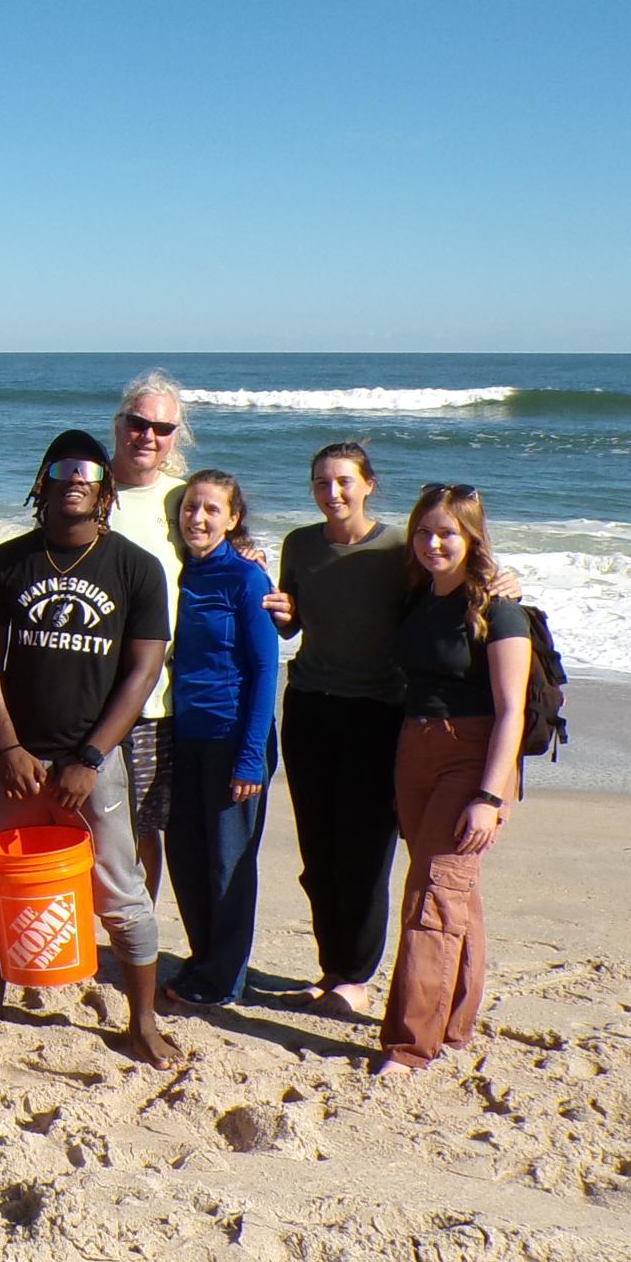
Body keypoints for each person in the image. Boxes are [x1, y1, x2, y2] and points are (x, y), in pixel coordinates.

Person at [0, 428, 179, 1066]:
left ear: (106, 487)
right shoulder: (7, 560)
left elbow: (144, 671)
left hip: (95, 764)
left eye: (89, 468)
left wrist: (89, 759)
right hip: (14, 760)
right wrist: (6, 746)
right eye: (63, 467)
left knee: (121, 893)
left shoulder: (136, 568)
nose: (76, 477)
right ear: (43, 482)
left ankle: (141, 1022)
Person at [377, 484, 530, 1077]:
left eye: (447, 532)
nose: (433, 543)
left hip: (470, 755)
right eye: (423, 531)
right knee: (453, 889)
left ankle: (412, 1046)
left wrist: (491, 796)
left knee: (432, 894)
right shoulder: (420, 596)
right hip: (414, 748)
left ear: (472, 537)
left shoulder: (499, 609)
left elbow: (511, 710)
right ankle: (456, 1021)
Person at [260, 443, 410, 1015]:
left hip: (378, 713)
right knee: (317, 852)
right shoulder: (300, 544)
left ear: (368, 484)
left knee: (366, 853)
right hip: (310, 706)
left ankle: (357, 976)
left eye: (344, 481)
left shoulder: (400, 548)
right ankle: (332, 968)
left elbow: (450, 590)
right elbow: (290, 629)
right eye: (322, 482)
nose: (333, 493)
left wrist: (504, 585)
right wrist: (281, 613)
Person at [160, 471, 281, 1009]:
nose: (199, 519)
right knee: (185, 854)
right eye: (191, 508)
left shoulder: (245, 577)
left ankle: (223, 980)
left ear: (233, 519)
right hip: (184, 738)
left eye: (212, 510)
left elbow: (263, 668)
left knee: (228, 863)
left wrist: (251, 758)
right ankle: (204, 958)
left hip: (236, 739)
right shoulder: (182, 573)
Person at [105, 371, 190, 907]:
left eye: (162, 427)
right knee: (81, 822)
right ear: (119, 425)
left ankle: (134, 938)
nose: (148, 436)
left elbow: (230, 560)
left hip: (155, 701)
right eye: (138, 423)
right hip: (82, 693)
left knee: (141, 829)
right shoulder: (85, 487)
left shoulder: (185, 501)